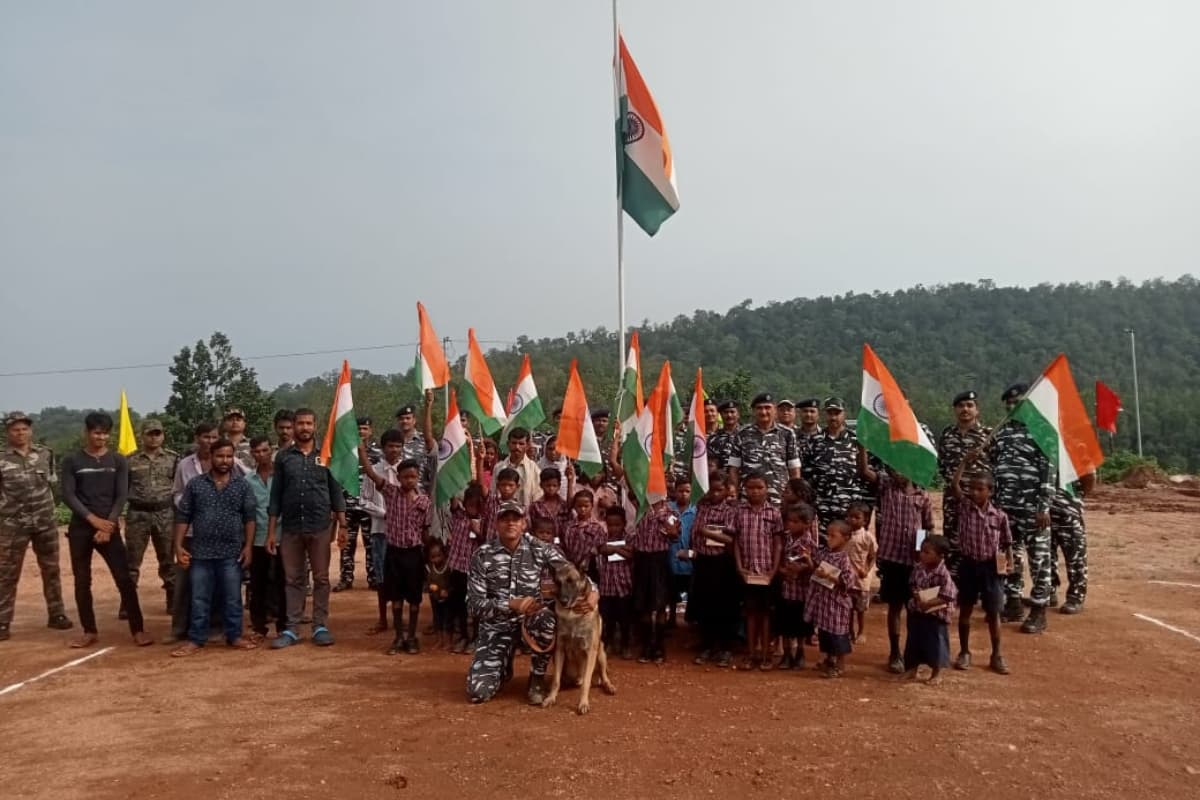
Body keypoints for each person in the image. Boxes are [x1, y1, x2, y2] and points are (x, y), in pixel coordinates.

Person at [466, 501, 597, 706]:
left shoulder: (539, 548)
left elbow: (572, 572)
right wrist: (510, 604)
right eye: (504, 519)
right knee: (478, 692)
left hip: (530, 623)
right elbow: (473, 604)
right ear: (496, 524)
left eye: (515, 519)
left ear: (523, 524)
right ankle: (502, 666)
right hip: (496, 628)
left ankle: (536, 678)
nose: (510, 523)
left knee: (547, 620)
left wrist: (593, 592)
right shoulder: (482, 555)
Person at [60, 412, 152, 648]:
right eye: (96, 432)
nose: (101, 437)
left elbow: (121, 495)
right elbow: (68, 495)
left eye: (104, 433)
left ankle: (138, 629)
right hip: (81, 528)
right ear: (87, 433)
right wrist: (93, 520)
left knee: (124, 579)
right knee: (82, 581)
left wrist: (108, 524)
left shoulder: (118, 460)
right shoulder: (72, 461)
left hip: (109, 529)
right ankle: (89, 630)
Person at [266, 408, 347, 649]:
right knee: (293, 579)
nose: (304, 427)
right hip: (291, 527)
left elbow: (335, 491)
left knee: (321, 578)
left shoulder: (326, 453)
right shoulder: (283, 457)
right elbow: (276, 496)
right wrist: (272, 532)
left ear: (315, 425)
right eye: (300, 423)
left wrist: (343, 524)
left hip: (320, 525)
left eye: (308, 423)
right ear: (294, 425)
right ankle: (291, 628)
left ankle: (320, 626)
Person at [165, 422, 250, 645]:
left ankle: (234, 636)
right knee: (198, 596)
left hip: (231, 550)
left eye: (228, 456)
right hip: (200, 549)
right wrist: (178, 545)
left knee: (232, 597)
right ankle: (195, 638)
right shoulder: (194, 483)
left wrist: (248, 545)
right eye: (219, 456)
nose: (224, 460)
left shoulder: (241, 484)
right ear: (211, 456)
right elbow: (183, 514)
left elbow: (250, 517)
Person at [0, 411, 73, 641]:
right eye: (15, 429)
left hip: (44, 522)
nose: (20, 433)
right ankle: (2, 622)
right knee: (7, 574)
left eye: (24, 429)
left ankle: (57, 614)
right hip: (12, 525)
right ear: (8, 432)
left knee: (51, 570)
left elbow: (51, 484)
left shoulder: (45, 454)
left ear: (30, 430)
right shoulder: (1, 457)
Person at [989, 383, 1054, 633]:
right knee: (1007, 556)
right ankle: (1013, 602)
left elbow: (1049, 473)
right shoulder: (1002, 433)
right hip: (1006, 508)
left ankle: (1039, 610)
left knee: (1038, 558)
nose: (1012, 406)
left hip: (1033, 508)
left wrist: (1044, 506)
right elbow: (995, 469)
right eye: (1009, 403)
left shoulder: (1042, 432)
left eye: (1018, 402)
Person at [860, 459, 935, 674]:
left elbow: (928, 525)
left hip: (914, 562)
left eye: (901, 468)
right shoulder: (886, 486)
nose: (896, 472)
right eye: (893, 468)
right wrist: (862, 444)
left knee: (915, 608)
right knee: (894, 607)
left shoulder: (923, 495)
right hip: (892, 559)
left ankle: (913, 652)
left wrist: (921, 550)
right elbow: (864, 470)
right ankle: (895, 652)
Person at [359, 452, 430, 656]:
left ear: (418, 477)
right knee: (396, 597)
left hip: (414, 554)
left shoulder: (424, 502)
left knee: (415, 598)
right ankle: (398, 636)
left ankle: (412, 637)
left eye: (413, 476)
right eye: (405, 476)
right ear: (398, 478)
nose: (409, 480)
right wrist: (361, 447)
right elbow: (371, 473)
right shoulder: (391, 493)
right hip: (394, 553)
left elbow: (425, 530)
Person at [950, 454, 1012, 674]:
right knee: (965, 609)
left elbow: (1006, 543)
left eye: (980, 489)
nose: (974, 492)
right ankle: (964, 652)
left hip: (990, 568)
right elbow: (954, 485)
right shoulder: (966, 507)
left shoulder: (999, 516)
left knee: (994, 613)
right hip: (969, 565)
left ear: (990, 491)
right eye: (972, 489)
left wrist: (1007, 565)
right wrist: (964, 462)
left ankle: (997, 655)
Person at [123, 418, 178, 618]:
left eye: (158, 433)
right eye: (150, 433)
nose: (154, 438)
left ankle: (172, 599)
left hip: (165, 513)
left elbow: (177, 486)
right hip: (138, 513)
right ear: (142, 435)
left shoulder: (173, 459)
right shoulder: (129, 460)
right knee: (131, 561)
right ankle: (127, 602)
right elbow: (122, 489)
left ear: (163, 435)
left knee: (168, 559)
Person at [936, 390, 991, 577]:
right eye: (960, 406)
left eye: (969, 405)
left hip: (978, 500)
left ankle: (977, 583)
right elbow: (942, 465)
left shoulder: (988, 435)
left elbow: (995, 468)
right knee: (952, 538)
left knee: (979, 539)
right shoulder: (947, 434)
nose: (965, 409)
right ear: (954, 410)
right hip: (953, 498)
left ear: (977, 410)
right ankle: (953, 581)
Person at [731, 473, 782, 670]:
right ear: (745, 489)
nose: (755, 491)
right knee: (750, 613)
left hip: (767, 573)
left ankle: (766, 655)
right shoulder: (740, 512)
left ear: (767, 489)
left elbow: (778, 544)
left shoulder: (774, 513)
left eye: (759, 487)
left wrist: (773, 570)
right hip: (748, 572)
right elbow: (735, 542)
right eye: (751, 488)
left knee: (767, 614)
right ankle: (751, 653)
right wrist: (739, 567)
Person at [689, 472, 737, 667]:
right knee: (704, 604)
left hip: (722, 562)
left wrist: (707, 532)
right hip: (703, 561)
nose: (715, 493)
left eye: (719, 490)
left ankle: (725, 648)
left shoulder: (730, 511)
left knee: (723, 606)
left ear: (727, 491)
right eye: (711, 489)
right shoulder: (702, 507)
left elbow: (731, 539)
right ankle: (707, 645)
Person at [803, 519, 860, 678]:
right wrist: (808, 559)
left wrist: (831, 577)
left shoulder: (844, 559)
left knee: (838, 635)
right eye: (828, 535)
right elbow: (816, 567)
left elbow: (848, 581)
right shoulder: (824, 553)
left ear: (845, 538)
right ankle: (829, 660)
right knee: (825, 633)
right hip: (823, 602)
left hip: (837, 604)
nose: (829, 539)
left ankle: (840, 664)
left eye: (833, 536)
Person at [629, 495, 681, 664]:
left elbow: (675, 535)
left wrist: (673, 531)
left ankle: (659, 646)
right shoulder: (641, 507)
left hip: (659, 561)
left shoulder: (670, 512)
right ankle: (646, 646)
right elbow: (629, 481)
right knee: (644, 606)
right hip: (642, 560)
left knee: (660, 607)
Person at [727, 393, 801, 505]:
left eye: (767, 408)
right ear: (753, 411)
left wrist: (795, 495)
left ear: (775, 410)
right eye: (759, 408)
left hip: (779, 498)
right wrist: (735, 493)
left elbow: (794, 469)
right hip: (748, 498)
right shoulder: (742, 434)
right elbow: (734, 469)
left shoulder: (787, 434)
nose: (763, 412)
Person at [902, 535, 957, 684]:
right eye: (922, 551)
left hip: (936, 614)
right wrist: (916, 595)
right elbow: (912, 583)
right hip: (919, 611)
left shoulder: (944, 574)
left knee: (936, 643)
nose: (922, 555)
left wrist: (929, 603)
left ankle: (936, 673)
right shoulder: (918, 568)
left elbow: (948, 596)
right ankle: (912, 669)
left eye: (927, 553)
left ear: (940, 556)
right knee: (914, 641)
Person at [335, 416, 381, 593]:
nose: (361, 432)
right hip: (348, 506)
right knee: (346, 544)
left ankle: (374, 578)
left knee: (371, 544)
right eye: (358, 429)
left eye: (364, 428)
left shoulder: (377, 454)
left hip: (369, 507)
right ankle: (346, 578)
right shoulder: (345, 453)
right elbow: (338, 480)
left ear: (371, 431)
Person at [808, 397, 867, 534]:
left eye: (837, 413)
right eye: (830, 413)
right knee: (823, 546)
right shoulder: (815, 440)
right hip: (823, 506)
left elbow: (863, 471)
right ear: (824, 415)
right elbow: (808, 474)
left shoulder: (855, 440)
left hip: (848, 508)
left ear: (844, 414)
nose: (833, 417)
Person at [247, 436, 284, 642]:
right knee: (257, 583)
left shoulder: (282, 476)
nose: (261, 455)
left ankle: (283, 625)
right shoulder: (248, 480)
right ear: (252, 454)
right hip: (257, 537)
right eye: (257, 452)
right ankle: (259, 626)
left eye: (264, 450)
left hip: (281, 536)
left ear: (271, 450)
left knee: (281, 580)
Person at [775, 503, 817, 669]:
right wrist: (783, 571)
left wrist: (803, 568)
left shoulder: (810, 544)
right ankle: (786, 654)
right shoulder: (785, 539)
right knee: (785, 625)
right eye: (789, 521)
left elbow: (815, 567)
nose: (790, 524)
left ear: (806, 524)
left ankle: (800, 653)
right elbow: (778, 560)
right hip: (786, 589)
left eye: (795, 522)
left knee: (800, 626)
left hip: (801, 592)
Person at [445, 484, 485, 653]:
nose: (472, 508)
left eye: (477, 505)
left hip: (474, 572)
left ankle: (475, 637)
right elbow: (453, 501)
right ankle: (463, 636)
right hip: (457, 569)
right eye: (469, 504)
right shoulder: (459, 515)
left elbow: (486, 544)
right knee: (459, 604)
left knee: (474, 606)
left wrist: (478, 532)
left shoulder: (484, 522)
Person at [1050, 473, 1094, 615]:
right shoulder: (1041, 450)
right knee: (1045, 555)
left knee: (1075, 555)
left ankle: (1076, 597)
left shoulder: (1075, 450)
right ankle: (1047, 592)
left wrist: (1076, 498)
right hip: (1043, 510)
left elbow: (1089, 475)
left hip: (1068, 509)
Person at [597, 505, 635, 660]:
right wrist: (620, 549)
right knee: (608, 619)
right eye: (610, 525)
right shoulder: (603, 538)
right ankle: (609, 643)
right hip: (607, 588)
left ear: (624, 524)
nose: (613, 528)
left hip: (624, 586)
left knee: (625, 619)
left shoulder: (630, 537)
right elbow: (602, 549)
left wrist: (615, 550)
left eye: (617, 525)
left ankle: (625, 645)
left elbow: (631, 554)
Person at [845, 503, 878, 644]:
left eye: (857, 517)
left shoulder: (867, 537)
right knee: (848, 608)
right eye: (850, 517)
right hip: (847, 578)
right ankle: (849, 631)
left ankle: (861, 632)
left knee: (860, 609)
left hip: (861, 579)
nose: (853, 520)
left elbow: (872, 556)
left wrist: (867, 569)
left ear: (865, 521)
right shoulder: (844, 534)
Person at [666, 477, 695, 628]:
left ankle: (689, 621)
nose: (683, 494)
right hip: (670, 556)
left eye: (687, 491)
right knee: (671, 589)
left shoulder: (695, 511)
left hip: (689, 558)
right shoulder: (668, 509)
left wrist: (691, 552)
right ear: (675, 491)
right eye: (680, 491)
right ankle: (670, 618)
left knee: (690, 588)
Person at [393, 394, 437, 492]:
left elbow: (429, 437)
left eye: (408, 418)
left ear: (414, 420)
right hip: (396, 495)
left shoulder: (423, 440)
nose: (404, 421)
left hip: (419, 494)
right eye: (401, 419)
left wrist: (428, 406)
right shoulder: (393, 442)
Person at [492, 428, 542, 508]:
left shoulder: (534, 469)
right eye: (514, 443)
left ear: (527, 445)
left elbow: (538, 498)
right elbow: (493, 495)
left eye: (521, 444)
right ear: (508, 444)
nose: (517, 447)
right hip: (501, 515)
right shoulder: (499, 468)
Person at [562, 488, 605, 578]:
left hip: (590, 569)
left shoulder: (597, 528)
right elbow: (563, 547)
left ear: (592, 506)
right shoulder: (568, 526)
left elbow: (600, 551)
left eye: (586, 506)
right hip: (569, 568)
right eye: (579, 506)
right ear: (574, 506)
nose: (582, 509)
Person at [528, 466, 572, 542]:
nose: (551, 488)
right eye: (548, 485)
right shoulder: (535, 507)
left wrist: (570, 481)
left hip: (562, 545)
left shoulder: (564, 506)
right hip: (541, 545)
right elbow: (531, 528)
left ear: (559, 486)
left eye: (554, 486)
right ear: (541, 485)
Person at [482, 468, 524, 541]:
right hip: (491, 547)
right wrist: (480, 461)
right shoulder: (492, 501)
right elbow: (481, 486)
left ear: (517, 486)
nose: (507, 488)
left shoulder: (521, 508)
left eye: (511, 485)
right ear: (498, 485)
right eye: (503, 485)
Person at [425, 539, 452, 650]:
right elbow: (427, 582)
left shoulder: (448, 568)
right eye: (433, 557)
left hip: (447, 600)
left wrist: (447, 591)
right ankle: (439, 640)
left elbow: (452, 583)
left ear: (444, 555)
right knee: (437, 620)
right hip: (435, 599)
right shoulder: (430, 569)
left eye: (439, 556)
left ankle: (448, 641)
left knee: (447, 620)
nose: (436, 559)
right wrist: (430, 587)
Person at [794, 399, 823, 487]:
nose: (808, 414)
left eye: (812, 411)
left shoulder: (826, 436)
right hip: (798, 487)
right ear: (799, 414)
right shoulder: (792, 436)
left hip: (821, 488)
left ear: (818, 415)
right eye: (805, 411)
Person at [706, 400, 740, 472]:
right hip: (718, 480)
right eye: (726, 412)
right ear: (720, 415)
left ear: (738, 414)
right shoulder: (713, 438)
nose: (729, 415)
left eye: (732, 412)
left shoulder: (745, 435)